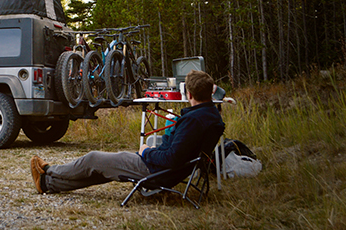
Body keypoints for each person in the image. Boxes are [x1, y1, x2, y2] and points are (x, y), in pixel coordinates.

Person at [30, 70, 225, 194]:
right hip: (167, 170)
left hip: (156, 171)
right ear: (209, 93)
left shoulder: (193, 120)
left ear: (189, 94)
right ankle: (47, 184)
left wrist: (146, 151)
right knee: (104, 169)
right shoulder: (212, 116)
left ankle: (49, 170)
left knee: (94, 159)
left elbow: (172, 158)